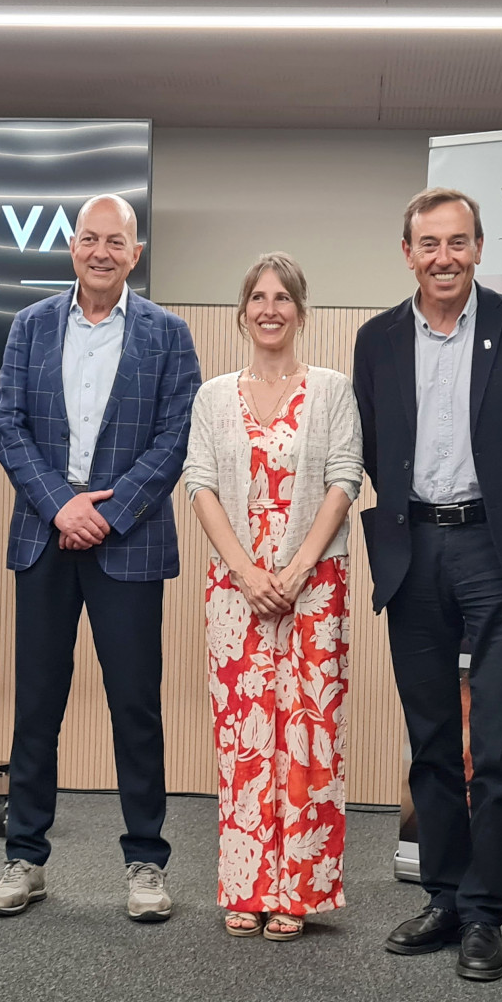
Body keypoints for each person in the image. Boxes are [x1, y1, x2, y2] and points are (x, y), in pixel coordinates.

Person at [354, 187, 502, 980]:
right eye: (429, 244)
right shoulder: (377, 339)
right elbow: (373, 444)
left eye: (458, 242)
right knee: (431, 741)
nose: (443, 257)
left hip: (498, 552)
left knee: (499, 745)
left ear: (479, 248)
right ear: (407, 253)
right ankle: (444, 897)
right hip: (413, 549)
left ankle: (486, 913)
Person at [0, 194, 201, 921]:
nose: (101, 251)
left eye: (115, 241)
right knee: (37, 704)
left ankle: (146, 862)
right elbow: (8, 425)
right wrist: (62, 506)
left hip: (128, 542)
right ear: (72, 247)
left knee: (135, 706)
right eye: (89, 239)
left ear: (135, 254)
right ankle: (25, 858)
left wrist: (106, 512)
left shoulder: (168, 334)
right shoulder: (30, 325)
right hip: (45, 535)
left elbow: (176, 436)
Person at [183, 252, 362, 940]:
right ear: (242, 312)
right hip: (236, 589)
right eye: (258, 297)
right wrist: (246, 572)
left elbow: (346, 477)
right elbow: (199, 482)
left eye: (282, 297)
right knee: (245, 735)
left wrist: (296, 569)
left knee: (308, 736)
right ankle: (248, 886)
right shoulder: (212, 396)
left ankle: (299, 891)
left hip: (315, 582)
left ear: (300, 310)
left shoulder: (332, 390)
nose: (269, 308)